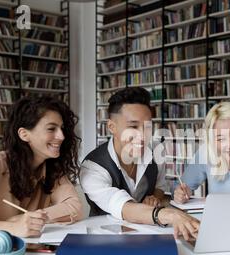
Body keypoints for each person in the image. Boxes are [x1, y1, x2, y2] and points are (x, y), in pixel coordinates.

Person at [0, 96, 83, 238]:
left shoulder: (53, 168)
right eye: (51, 129)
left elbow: (75, 207)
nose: (62, 136)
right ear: (24, 134)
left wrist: (36, 218)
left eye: (61, 128)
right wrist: (11, 227)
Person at [80, 87, 199, 240]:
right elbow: (123, 207)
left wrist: (154, 197)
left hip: (148, 234)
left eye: (147, 127)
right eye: (133, 126)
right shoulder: (92, 168)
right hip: (106, 239)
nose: (143, 136)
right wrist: (170, 214)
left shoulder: (157, 150)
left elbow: (160, 187)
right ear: (112, 127)